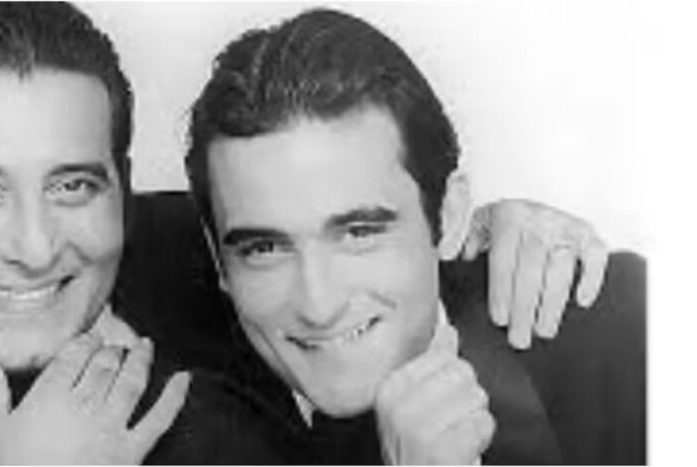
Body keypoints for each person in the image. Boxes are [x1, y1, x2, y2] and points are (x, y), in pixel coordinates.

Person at [0, 2, 613, 464]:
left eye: (73, 185)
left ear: (123, 190)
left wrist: (478, 228)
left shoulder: (195, 250)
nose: (36, 247)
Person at [184, 8, 644, 464]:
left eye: (359, 232)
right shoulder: (171, 413)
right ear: (216, 255)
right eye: (264, 249)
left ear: (450, 215)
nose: (318, 307)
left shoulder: (628, 335)